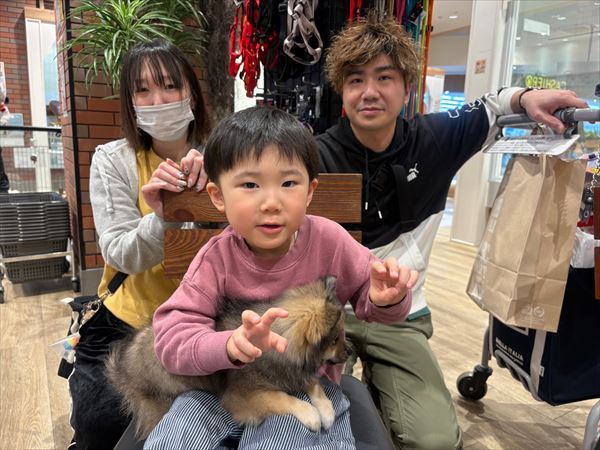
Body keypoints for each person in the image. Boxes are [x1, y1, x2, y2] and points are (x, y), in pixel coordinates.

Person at [316, 13, 589, 450]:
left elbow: (492, 106)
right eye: (355, 80)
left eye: (384, 77)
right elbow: (249, 172)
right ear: (341, 92)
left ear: (407, 87)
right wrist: (202, 164)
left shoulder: (435, 138)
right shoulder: (312, 155)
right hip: (328, 315)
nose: (369, 92)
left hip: (402, 314)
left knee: (436, 441)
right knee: (321, 429)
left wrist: (527, 96)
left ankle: (387, 391)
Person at [145, 105, 419, 450]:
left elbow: (372, 299)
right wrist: (228, 345)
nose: (271, 202)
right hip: (222, 389)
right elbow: (171, 340)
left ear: (309, 191)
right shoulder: (215, 259)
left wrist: (387, 298)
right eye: (249, 184)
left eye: (288, 183)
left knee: (284, 439)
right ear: (218, 196)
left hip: (306, 384)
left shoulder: (330, 240)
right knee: (175, 438)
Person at [68, 39, 211, 450]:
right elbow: (118, 251)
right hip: (127, 324)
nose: (158, 100)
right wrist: (165, 214)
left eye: (169, 85)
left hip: (204, 320)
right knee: (100, 422)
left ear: (191, 93)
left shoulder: (223, 155)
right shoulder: (113, 160)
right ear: (130, 104)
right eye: (143, 90)